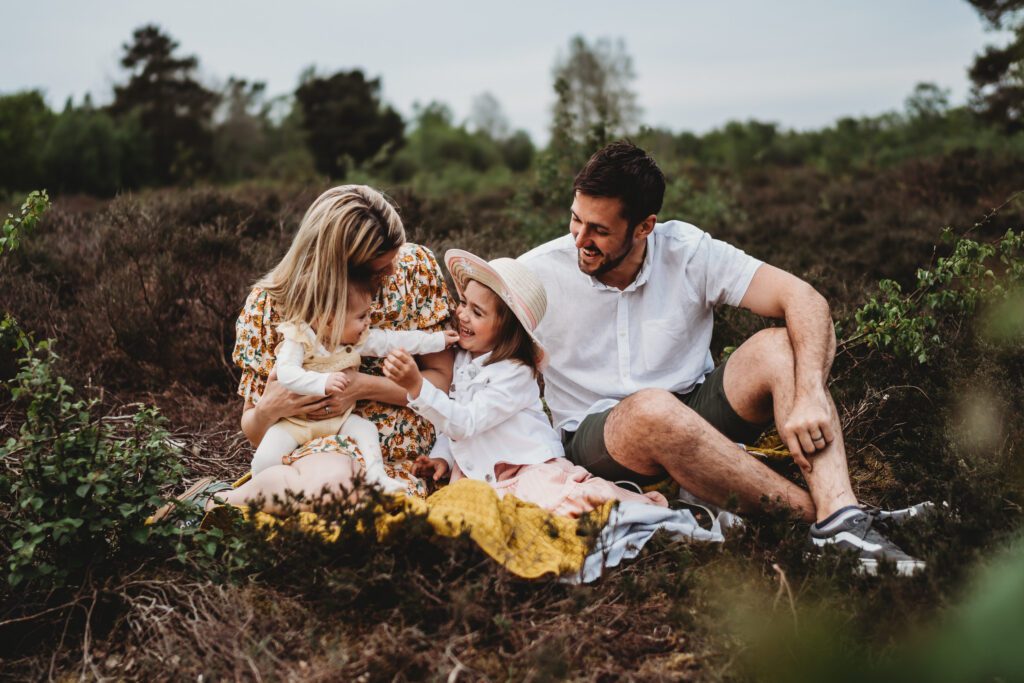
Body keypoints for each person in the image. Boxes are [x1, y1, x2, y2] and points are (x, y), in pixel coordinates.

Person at [518, 141, 925, 574]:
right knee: (652, 409)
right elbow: (472, 351)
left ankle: (841, 516)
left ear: (644, 227)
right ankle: (835, 519)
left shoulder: (688, 251)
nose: (580, 239)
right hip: (598, 438)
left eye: (598, 229)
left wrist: (809, 394)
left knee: (777, 346)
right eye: (575, 220)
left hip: (694, 409)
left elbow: (804, 298)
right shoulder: (537, 273)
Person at [157, 185, 455, 517]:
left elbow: (444, 381)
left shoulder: (414, 269)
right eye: (378, 268)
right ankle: (213, 504)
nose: (392, 272)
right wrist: (270, 409)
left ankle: (239, 501)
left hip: (401, 447)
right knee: (339, 489)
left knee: (373, 508)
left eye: (394, 256)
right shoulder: (271, 306)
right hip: (320, 445)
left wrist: (363, 386)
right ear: (336, 271)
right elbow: (255, 430)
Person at [382, 249, 667, 517]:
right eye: (463, 302)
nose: (462, 315)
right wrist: (441, 458)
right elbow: (452, 424)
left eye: (477, 312)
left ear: (507, 331)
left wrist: (417, 386)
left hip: (527, 468)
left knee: (573, 506)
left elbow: (465, 422)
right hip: (484, 476)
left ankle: (645, 510)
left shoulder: (514, 373)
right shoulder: (462, 359)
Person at [249, 267, 458, 493]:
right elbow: (286, 373)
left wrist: (438, 340)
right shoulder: (299, 339)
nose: (369, 322)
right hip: (295, 424)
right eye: (362, 317)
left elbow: (395, 340)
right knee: (266, 459)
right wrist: (322, 383)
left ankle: (377, 476)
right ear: (330, 319)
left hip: (339, 421)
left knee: (366, 430)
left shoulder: (354, 340)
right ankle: (260, 492)